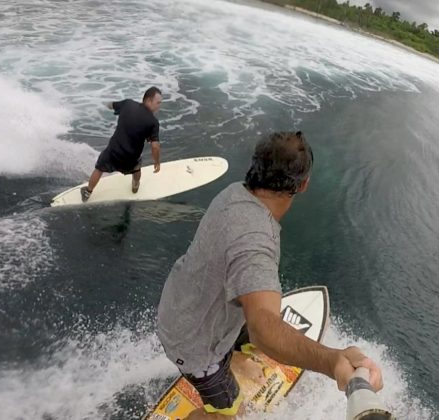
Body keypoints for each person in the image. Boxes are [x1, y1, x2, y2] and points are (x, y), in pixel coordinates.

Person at [156, 131, 383, 419]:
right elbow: (265, 329)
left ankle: (237, 356)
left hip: (182, 300)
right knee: (226, 413)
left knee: (249, 332)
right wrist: (332, 360)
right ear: (304, 185)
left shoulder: (235, 192)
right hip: (193, 342)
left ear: (256, 168)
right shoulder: (255, 242)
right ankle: (218, 388)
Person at [80, 87, 162, 202]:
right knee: (137, 168)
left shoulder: (128, 104)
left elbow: (112, 105)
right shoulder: (153, 123)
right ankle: (135, 186)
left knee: (99, 169)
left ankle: (87, 192)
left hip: (113, 152)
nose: (159, 106)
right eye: (158, 103)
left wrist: (102, 105)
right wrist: (157, 161)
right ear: (148, 100)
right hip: (131, 158)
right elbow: (155, 146)